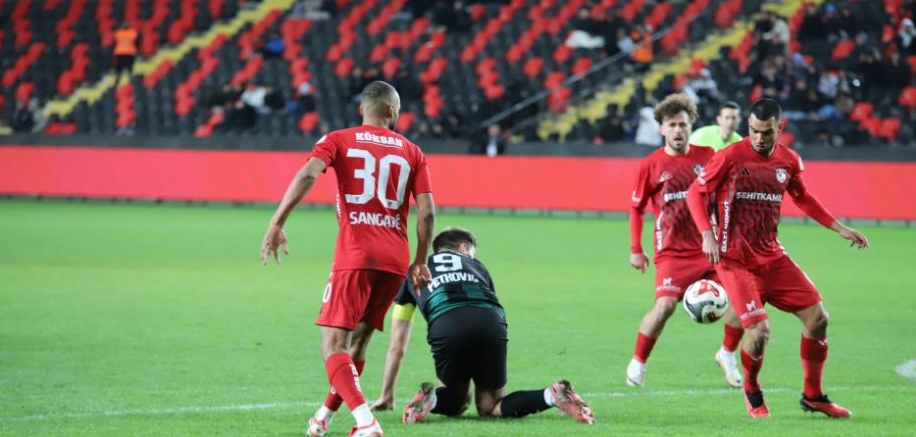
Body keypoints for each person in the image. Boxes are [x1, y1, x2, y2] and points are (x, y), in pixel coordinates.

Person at [261, 80, 436, 437]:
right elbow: (428, 213)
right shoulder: (413, 152)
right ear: (391, 110)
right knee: (358, 343)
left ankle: (366, 422)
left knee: (332, 345)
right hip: (394, 260)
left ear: (361, 110)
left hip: (356, 254)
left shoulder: (338, 139)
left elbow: (308, 173)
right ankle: (324, 416)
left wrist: (277, 222)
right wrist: (420, 261)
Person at [685, 98, 869, 419]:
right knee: (759, 332)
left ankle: (813, 396)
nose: (758, 138)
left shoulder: (789, 160)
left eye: (766, 132)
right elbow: (694, 193)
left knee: (819, 320)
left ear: (779, 128)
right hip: (734, 260)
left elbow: (802, 197)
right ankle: (752, 391)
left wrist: (839, 227)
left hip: (772, 256)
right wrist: (706, 234)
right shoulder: (729, 157)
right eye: (753, 131)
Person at [369, 227, 595, 425]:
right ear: (463, 248)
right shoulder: (477, 266)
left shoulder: (413, 272)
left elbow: (397, 346)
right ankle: (553, 395)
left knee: (457, 401)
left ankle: (433, 398)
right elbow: (491, 301)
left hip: (447, 325)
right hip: (490, 322)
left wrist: (387, 395)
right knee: (490, 406)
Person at [626, 93, 744, 389]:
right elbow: (637, 208)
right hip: (672, 252)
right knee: (665, 306)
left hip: (709, 249)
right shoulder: (650, 164)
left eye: (683, 124)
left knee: (744, 298)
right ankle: (638, 362)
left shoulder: (708, 156)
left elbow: (725, 195)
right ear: (662, 129)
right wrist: (636, 249)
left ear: (691, 126)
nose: (678, 130)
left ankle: (727, 353)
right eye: (672, 125)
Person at [113, 22, 139, 88]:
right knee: (129, 70)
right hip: (130, 53)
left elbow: (114, 42)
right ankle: (130, 83)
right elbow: (137, 42)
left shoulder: (118, 33)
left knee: (119, 70)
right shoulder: (133, 33)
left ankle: (117, 83)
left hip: (120, 53)